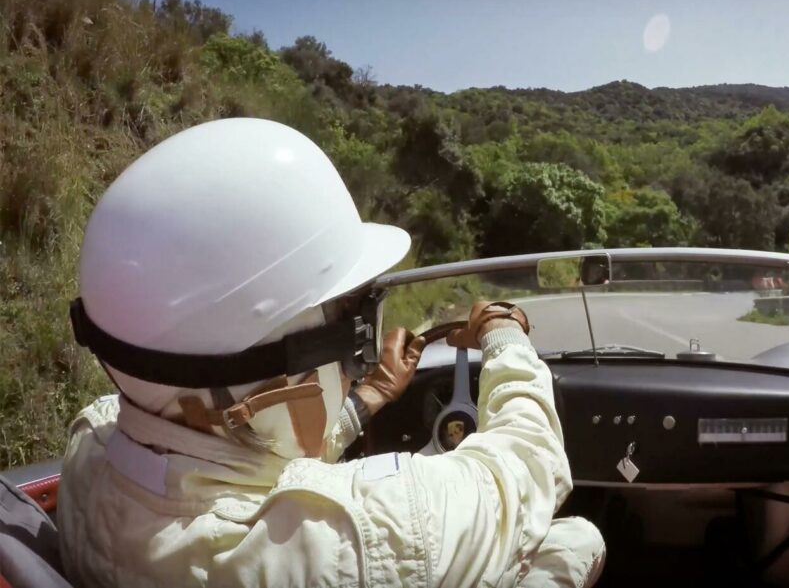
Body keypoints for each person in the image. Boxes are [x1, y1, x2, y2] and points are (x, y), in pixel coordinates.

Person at [57, 118, 605, 588]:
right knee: (575, 539)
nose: (356, 363)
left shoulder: (90, 453)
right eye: (352, 328)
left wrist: (370, 397)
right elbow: (529, 465)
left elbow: (245, 454)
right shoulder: (361, 537)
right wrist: (506, 335)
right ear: (263, 377)